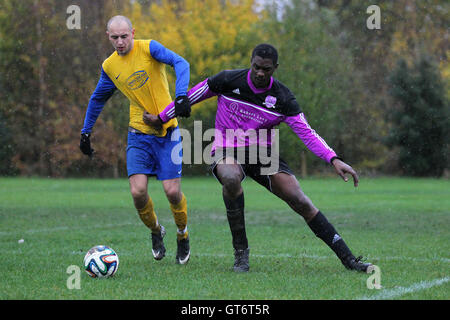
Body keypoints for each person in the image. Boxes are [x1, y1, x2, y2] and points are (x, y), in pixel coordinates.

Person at [146, 43, 373, 273]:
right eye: (256, 67)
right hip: (226, 148)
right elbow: (191, 96)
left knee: (300, 200)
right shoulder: (228, 80)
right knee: (231, 178)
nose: (260, 73)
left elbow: (307, 133)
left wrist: (333, 158)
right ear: (251, 62)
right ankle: (241, 254)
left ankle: (349, 259)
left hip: (262, 154)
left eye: (266, 69)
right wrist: (161, 118)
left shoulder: (283, 98)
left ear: (275, 68)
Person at [79, 15, 192, 265]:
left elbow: (180, 62)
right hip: (138, 134)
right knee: (138, 192)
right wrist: (86, 132)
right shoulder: (109, 66)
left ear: (133, 32)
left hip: (168, 132)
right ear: (108, 37)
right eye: (114, 37)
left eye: (124, 36)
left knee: (172, 192)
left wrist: (181, 95)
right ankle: (156, 231)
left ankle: (182, 234)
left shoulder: (149, 47)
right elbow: (98, 98)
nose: (120, 42)